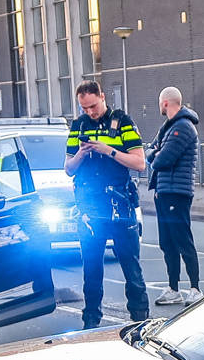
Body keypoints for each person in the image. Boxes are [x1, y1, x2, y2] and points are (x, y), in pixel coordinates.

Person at [64, 80, 150, 328]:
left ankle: (140, 320)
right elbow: (68, 169)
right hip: (90, 207)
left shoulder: (122, 122)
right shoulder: (78, 126)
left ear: (102, 97)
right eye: (84, 108)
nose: (89, 112)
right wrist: (81, 153)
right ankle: (90, 322)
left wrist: (107, 150)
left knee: (131, 268)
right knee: (91, 270)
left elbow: (139, 163)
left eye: (92, 105)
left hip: (119, 205)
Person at [147, 86, 202, 304]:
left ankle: (195, 289)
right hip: (163, 191)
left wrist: (156, 153)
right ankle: (173, 289)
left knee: (182, 240)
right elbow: (150, 150)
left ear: (165, 103)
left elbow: (161, 160)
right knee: (167, 243)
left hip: (177, 192)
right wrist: (156, 152)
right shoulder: (167, 128)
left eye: (160, 102)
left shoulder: (183, 127)